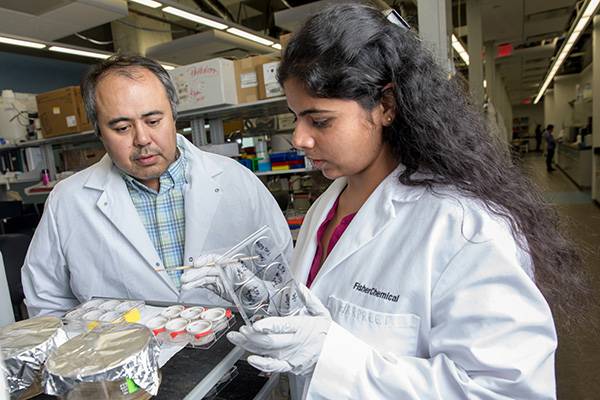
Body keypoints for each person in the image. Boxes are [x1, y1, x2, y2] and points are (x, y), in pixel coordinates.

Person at [222, 4, 585, 399]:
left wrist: (330, 356)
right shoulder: (326, 206)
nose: (299, 138)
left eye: (320, 120)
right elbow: (319, 309)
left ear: (386, 106)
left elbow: (503, 391)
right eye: (295, 117)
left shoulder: (463, 227)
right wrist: (256, 295)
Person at [21, 55, 292, 317]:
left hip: (233, 353)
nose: (142, 138)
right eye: (122, 128)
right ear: (99, 131)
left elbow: (283, 272)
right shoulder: (68, 201)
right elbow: (47, 301)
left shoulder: (236, 180)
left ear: (174, 116)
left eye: (153, 121)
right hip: (120, 358)